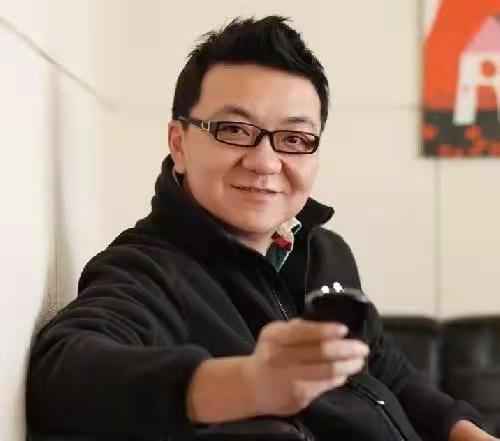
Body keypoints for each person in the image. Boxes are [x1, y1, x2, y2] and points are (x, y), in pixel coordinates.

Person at [27, 16, 497, 441]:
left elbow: (384, 369)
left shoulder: (324, 251)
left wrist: (463, 431)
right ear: (179, 143)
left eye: (294, 138)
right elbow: (61, 374)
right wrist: (249, 384)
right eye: (234, 130)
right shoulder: (145, 270)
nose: (265, 162)